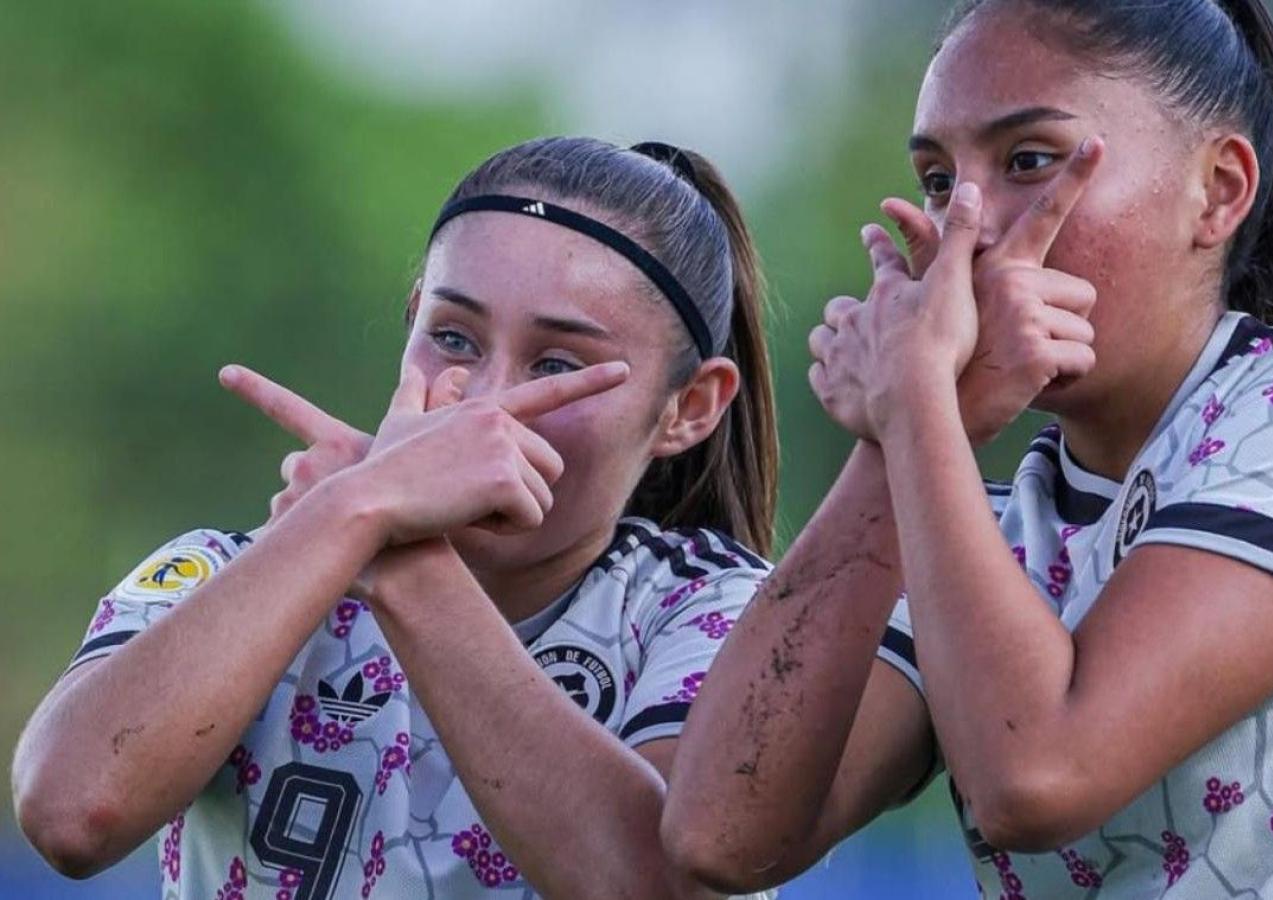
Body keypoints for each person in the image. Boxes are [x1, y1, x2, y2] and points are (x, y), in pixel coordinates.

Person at [664, 1, 1273, 897]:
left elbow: (1037, 775)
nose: (970, 230)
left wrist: (914, 403)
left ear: (1220, 189)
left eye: (1029, 160)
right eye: (935, 178)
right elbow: (718, 832)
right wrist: (896, 440)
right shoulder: (977, 532)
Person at [14, 135, 782, 900]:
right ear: (412, 319)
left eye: (557, 365)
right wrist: (352, 510)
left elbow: (665, 886)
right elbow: (72, 814)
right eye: (452, 338)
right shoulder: (230, 570)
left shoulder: (730, 616)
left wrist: (403, 561)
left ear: (690, 406)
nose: (483, 404)